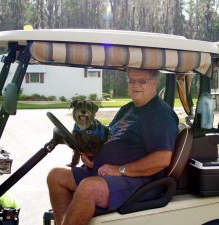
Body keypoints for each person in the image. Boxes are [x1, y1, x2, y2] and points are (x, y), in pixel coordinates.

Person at [47, 68, 179, 225]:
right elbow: (107, 137)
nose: (135, 85)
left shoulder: (160, 114)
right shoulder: (127, 109)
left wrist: (119, 170)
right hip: (105, 171)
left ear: (155, 83)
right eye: (131, 80)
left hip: (137, 181)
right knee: (56, 177)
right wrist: (91, 153)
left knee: (88, 188)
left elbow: (162, 159)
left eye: (142, 81)